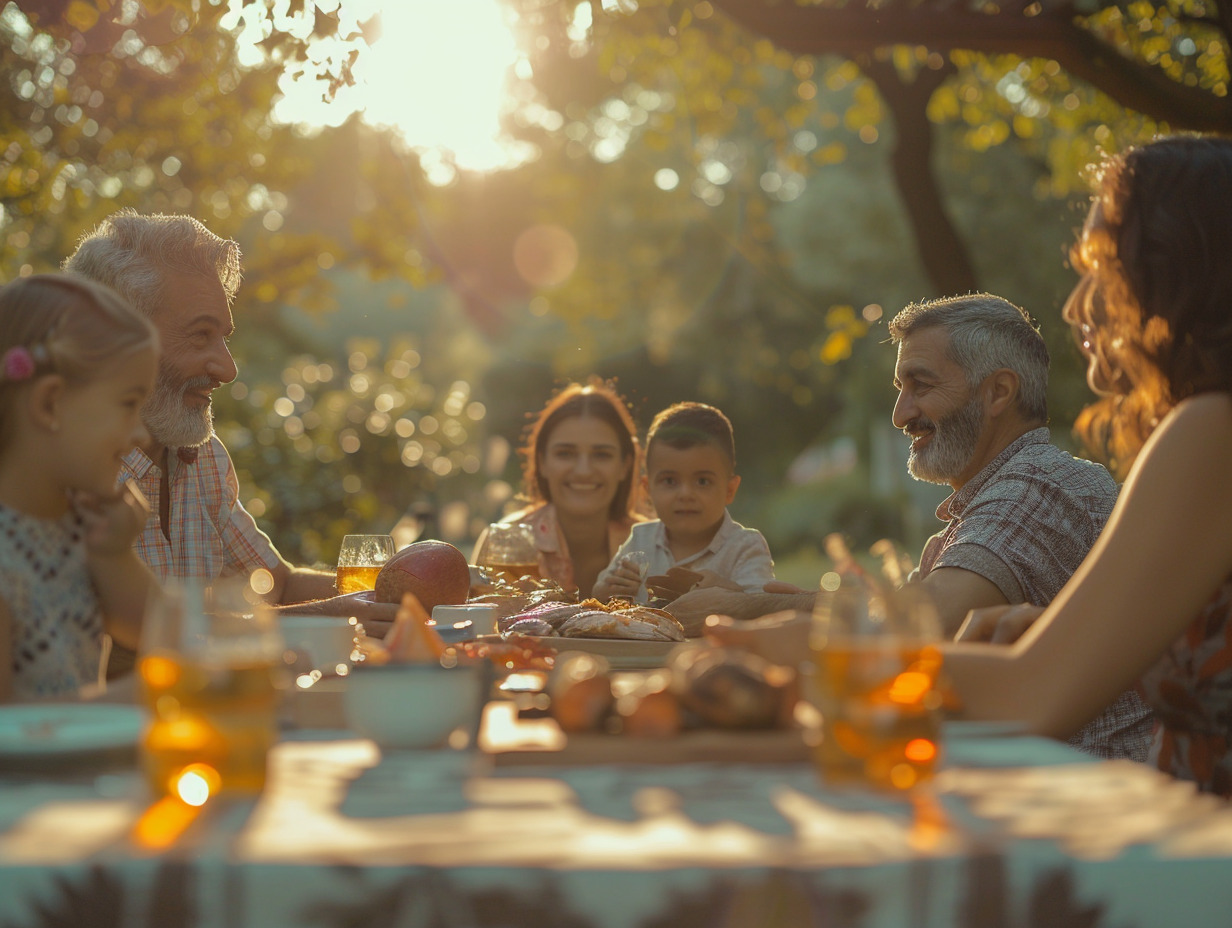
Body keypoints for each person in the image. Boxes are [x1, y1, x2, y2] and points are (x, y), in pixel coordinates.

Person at [713, 136, 1232, 795]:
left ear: (1179, 270)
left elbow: (1029, 692)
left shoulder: (1211, 426)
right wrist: (1052, 630)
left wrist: (825, 652)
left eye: (1100, 266)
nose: (1075, 306)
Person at [673, 295, 1152, 761]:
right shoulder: (998, 492)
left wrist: (745, 610)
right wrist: (777, 603)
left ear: (998, 393)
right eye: (900, 390)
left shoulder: (1039, 483)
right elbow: (899, 613)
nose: (901, 414)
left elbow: (930, 623)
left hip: (1085, 790)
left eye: (920, 386)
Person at [61, 211, 393, 670]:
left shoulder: (200, 456)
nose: (228, 368)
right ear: (118, 339)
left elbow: (276, 584)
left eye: (225, 338)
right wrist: (328, 618)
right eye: (201, 336)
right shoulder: (63, 474)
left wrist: (403, 590)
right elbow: (134, 646)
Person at [0, 274, 158, 701]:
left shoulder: (83, 525)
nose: (142, 434)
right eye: (128, 404)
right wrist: (130, 700)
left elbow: (160, 633)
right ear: (49, 403)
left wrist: (115, 554)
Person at [474, 378, 645, 599]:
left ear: (625, 465)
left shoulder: (657, 544)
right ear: (542, 462)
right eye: (565, 453)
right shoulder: (503, 543)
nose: (583, 471)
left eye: (602, 454)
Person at [593, 401, 775, 603]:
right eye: (670, 481)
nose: (685, 494)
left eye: (702, 481)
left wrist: (727, 592)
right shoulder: (640, 539)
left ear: (729, 490)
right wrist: (609, 588)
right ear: (647, 490)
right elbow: (600, 593)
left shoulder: (744, 547)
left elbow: (761, 607)